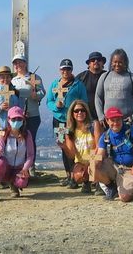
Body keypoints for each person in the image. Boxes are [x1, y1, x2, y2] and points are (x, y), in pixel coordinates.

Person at [94, 106, 133, 202]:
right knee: (92, 168)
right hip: (115, 166)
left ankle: (125, 186)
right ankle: (111, 187)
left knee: (124, 197)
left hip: (130, 168)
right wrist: (94, 164)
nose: (115, 123)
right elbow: (100, 154)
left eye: (118, 120)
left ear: (122, 119)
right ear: (107, 121)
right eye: (112, 120)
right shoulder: (105, 136)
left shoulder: (131, 131)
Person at [47, 58, 88, 187]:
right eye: (63, 69)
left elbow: (84, 100)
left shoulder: (78, 84)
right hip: (59, 121)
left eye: (68, 69)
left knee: (75, 147)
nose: (66, 71)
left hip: (73, 121)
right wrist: (56, 106)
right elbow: (48, 101)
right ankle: (68, 175)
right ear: (60, 70)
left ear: (72, 70)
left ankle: (77, 175)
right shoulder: (54, 84)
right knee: (63, 147)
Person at [0, 106, 35, 202]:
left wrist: (25, 169)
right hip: (6, 167)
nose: (17, 121)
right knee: (1, 161)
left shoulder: (27, 135)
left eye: (19, 119)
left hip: (19, 168)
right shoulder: (3, 134)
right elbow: (0, 152)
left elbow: (30, 155)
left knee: (22, 182)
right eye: (14, 119)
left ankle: (14, 185)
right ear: (9, 119)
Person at [94, 48, 133, 129]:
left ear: (125, 63)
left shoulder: (132, 78)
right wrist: (100, 116)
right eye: (115, 62)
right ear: (111, 62)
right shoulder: (104, 77)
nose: (117, 64)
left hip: (128, 122)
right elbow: (98, 97)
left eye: (120, 62)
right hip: (109, 122)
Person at [62, 100, 98, 194]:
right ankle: (87, 182)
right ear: (72, 114)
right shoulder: (69, 131)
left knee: (93, 169)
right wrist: (64, 146)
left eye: (82, 110)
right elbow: (72, 155)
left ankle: (98, 182)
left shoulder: (94, 125)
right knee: (78, 176)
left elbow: (99, 147)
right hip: (80, 161)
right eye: (76, 111)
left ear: (86, 112)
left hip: (94, 158)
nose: (80, 113)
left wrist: (90, 163)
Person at [10, 53, 45, 143]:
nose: (18, 65)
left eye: (20, 62)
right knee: (18, 141)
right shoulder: (12, 80)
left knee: (30, 141)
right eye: (16, 63)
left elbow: (42, 91)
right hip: (17, 117)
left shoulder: (34, 77)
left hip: (33, 115)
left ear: (25, 64)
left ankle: (30, 157)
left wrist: (36, 95)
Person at [76, 51, 108, 137]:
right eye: (93, 60)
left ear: (103, 63)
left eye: (98, 60)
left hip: (105, 119)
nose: (96, 61)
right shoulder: (81, 77)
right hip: (86, 118)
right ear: (89, 64)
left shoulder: (108, 76)